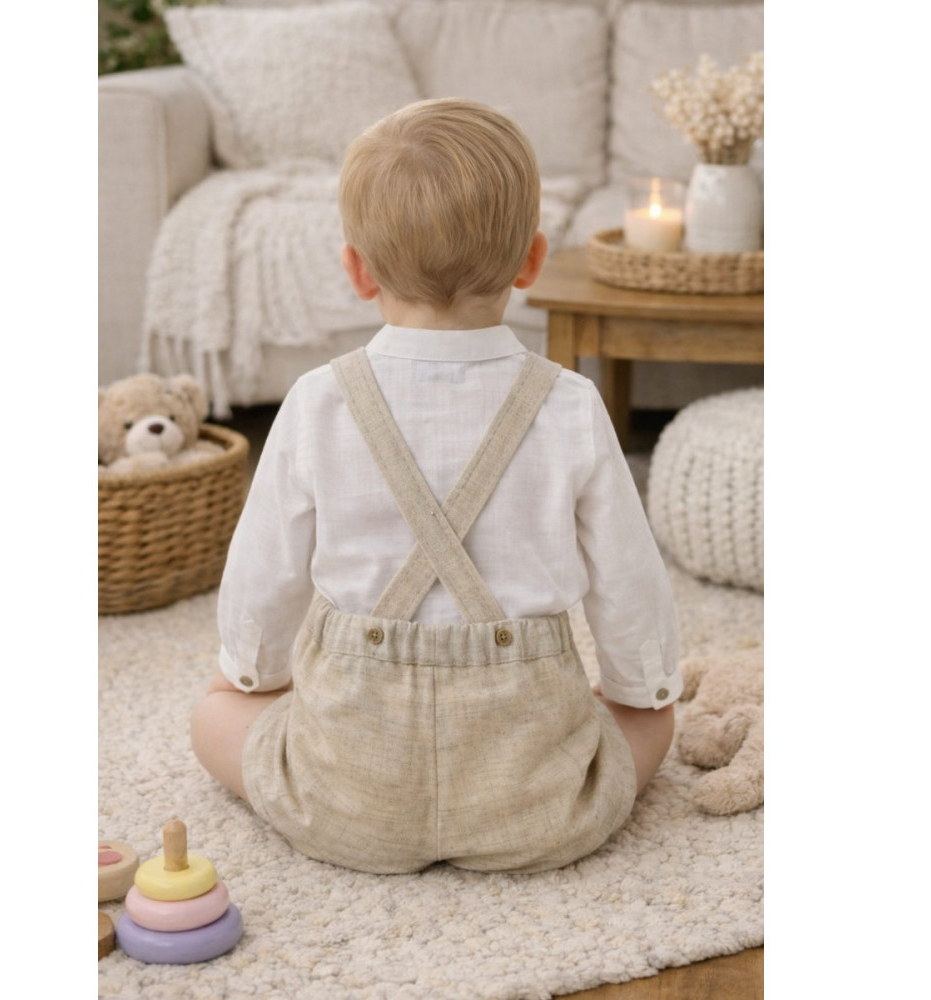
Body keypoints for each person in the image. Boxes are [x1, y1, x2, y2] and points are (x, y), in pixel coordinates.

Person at [190, 98, 680, 874]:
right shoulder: (570, 405)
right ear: (532, 260)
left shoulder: (318, 401)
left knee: (213, 715)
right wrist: (639, 690)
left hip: (347, 802)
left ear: (357, 270)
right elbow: (630, 581)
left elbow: (264, 570)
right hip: (538, 802)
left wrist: (250, 674)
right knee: (652, 722)